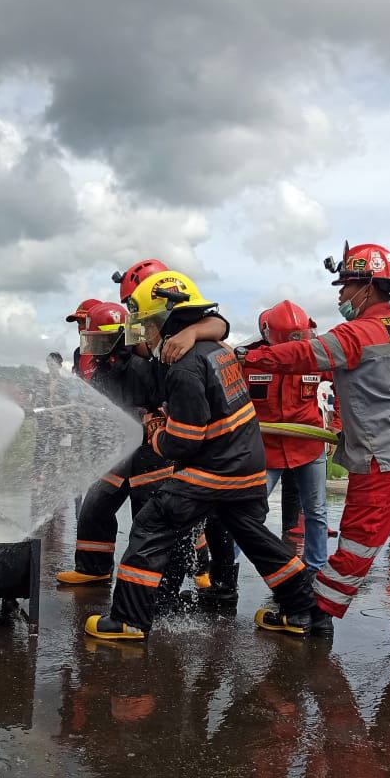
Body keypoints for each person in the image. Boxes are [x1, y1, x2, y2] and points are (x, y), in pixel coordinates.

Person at [84, 270, 318, 641]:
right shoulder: (215, 350)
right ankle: (303, 611)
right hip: (247, 466)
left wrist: (155, 430)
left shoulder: (186, 366)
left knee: (151, 525)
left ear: (166, 320)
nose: (143, 334)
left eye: (146, 325)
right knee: (256, 537)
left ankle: (128, 620)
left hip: (215, 470)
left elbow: (185, 441)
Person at [242, 241, 390, 635]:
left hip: (386, 454)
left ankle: (317, 614)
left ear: (367, 286)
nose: (340, 294)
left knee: (358, 539)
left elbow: (299, 356)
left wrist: (247, 358)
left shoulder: (356, 332)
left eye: (346, 286)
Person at [56, 293, 230, 590]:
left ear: (118, 339)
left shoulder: (143, 364)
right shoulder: (101, 369)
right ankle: (93, 567)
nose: (92, 348)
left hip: (153, 453)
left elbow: (170, 399)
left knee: (154, 516)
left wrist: (156, 421)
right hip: (120, 451)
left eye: (99, 341)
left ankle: (198, 568)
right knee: (95, 506)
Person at [242, 300, 328, 573]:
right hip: (266, 450)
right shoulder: (247, 361)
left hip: (309, 447)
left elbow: (347, 385)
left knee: (316, 512)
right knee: (245, 513)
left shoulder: (316, 359)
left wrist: (337, 425)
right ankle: (227, 572)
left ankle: (316, 571)